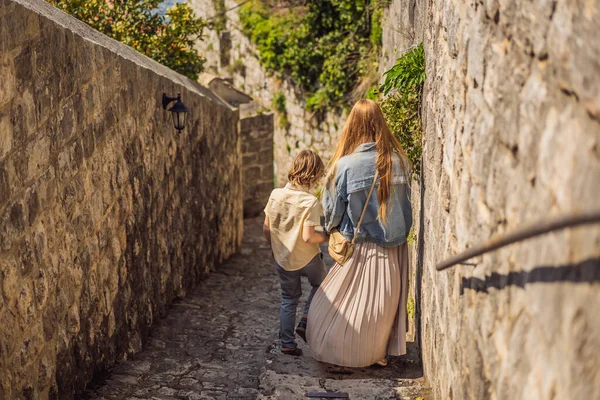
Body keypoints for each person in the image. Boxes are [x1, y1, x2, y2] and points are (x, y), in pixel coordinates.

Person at [306, 99, 413, 367]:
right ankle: (376, 353)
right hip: (392, 249)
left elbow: (332, 214)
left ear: (352, 124)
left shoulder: (344, 166)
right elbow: (406, 211)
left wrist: (334, 230)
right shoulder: (400, 162)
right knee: (380, 309)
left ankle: (343, 351)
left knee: (339, 305)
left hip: (357, 249)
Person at [263, 150, 329, 356]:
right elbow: (309, 237)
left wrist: (274, 250)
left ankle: (287, 344)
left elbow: (267, 227)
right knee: (322, 285)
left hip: (283, 257)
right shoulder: (310, 202)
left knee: (288, 299)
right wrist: (327, 236)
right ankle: (306, 318)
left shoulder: (275, 194)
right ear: (314, 174)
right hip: (308, 258)